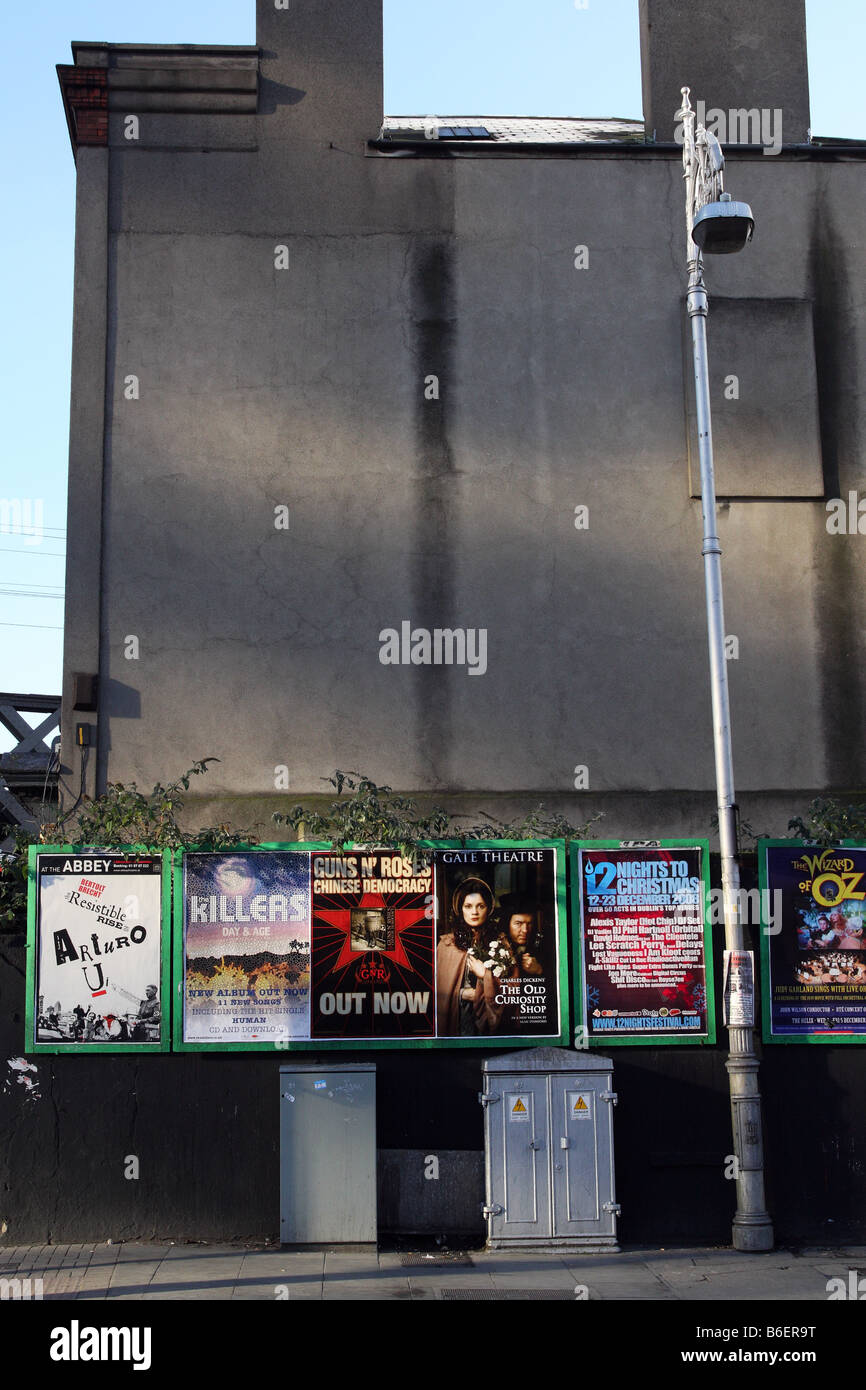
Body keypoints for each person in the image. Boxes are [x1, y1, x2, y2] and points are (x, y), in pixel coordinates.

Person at [436, 877, 500, 1036]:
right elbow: (438, 991)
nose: (474, 912)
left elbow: (511, 990)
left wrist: (485, 976)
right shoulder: (446, 945)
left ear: (489, 908)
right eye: (468, 906)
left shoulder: (500, 942)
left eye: (481, 906)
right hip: (458, 1022)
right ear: (460, 909)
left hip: (487, 1028)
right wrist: (462, 993)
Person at [497, 894, 544, 978]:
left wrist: (539, 970)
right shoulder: (494, 948)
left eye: (529, 923)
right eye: (518, 923)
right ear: (507, 924)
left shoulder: (541, 947)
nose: (525, 930)